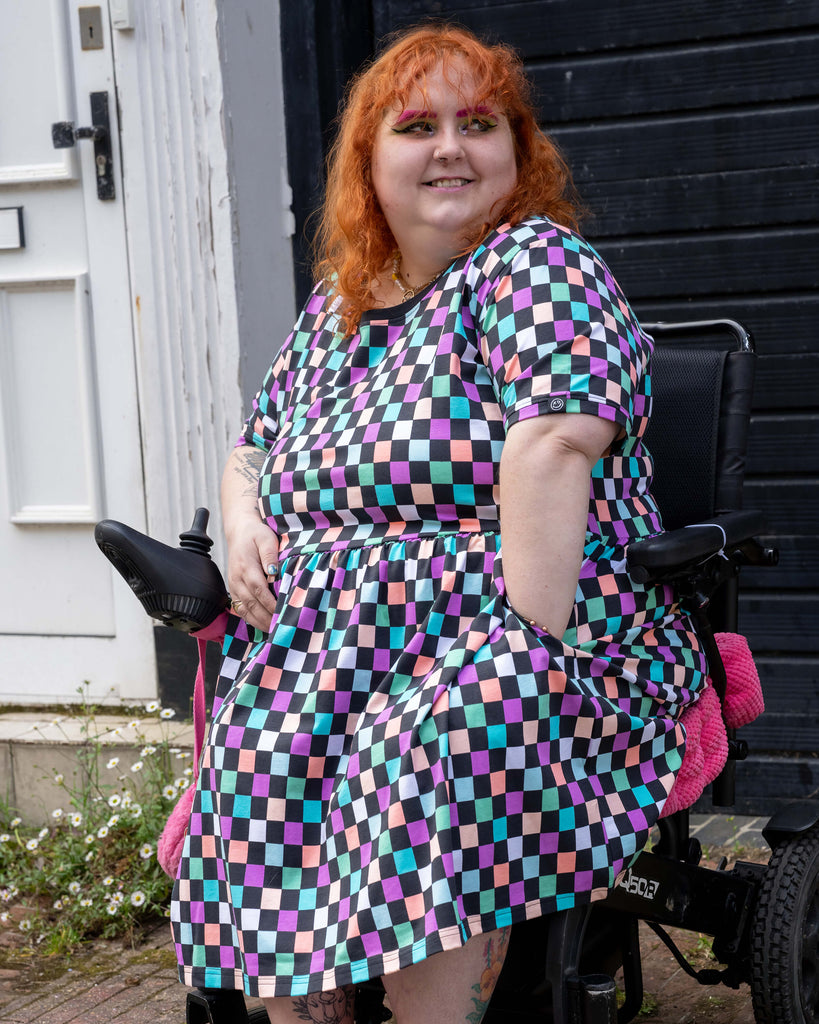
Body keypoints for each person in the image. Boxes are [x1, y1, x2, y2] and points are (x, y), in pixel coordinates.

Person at [171, 23, 707, 1024]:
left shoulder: (534, 266)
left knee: (423, 749)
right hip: (341, 646)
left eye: (480, 123)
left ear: (518, 151)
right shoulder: (341, 306)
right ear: (370, 164)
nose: (451, 146)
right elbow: (255, 442)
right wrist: (243, 519)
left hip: (533, 627)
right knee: (254, 759)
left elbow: (549, 442)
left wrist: (524, 652)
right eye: (417, 126)